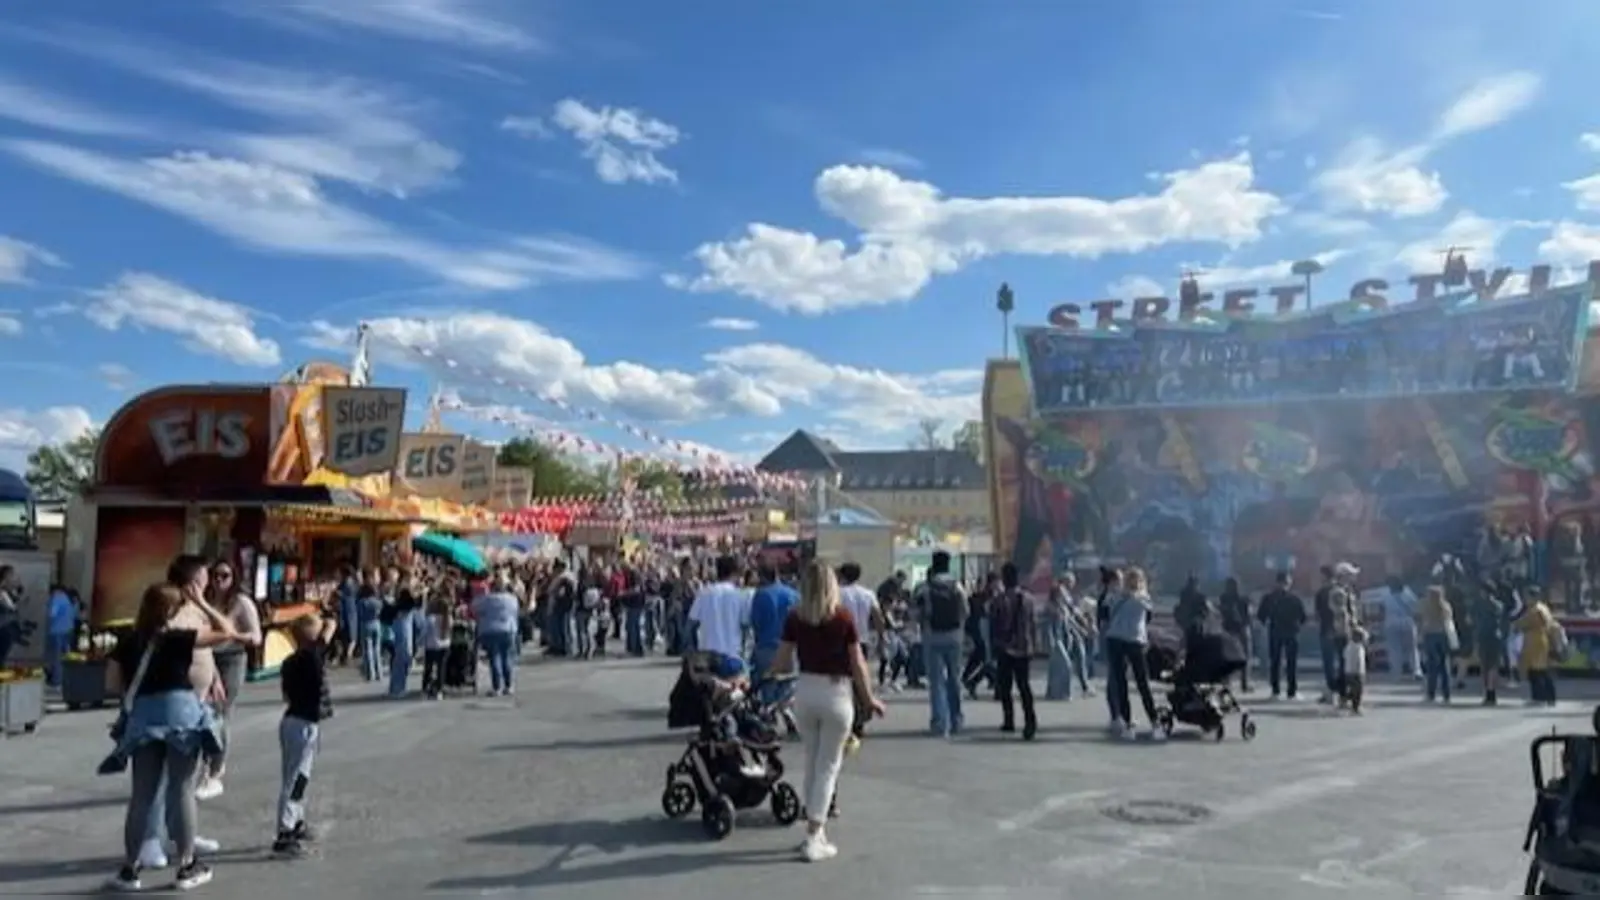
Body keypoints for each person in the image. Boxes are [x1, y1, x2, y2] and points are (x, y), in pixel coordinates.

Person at [104, 580, 237, 892]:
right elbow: (227, 632)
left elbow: (111, 684)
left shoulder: (129, 641)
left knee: (142, 795)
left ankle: (130, 869)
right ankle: (186, 866)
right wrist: (202, 603)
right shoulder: (179, 638)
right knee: (182, 790)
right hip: (181, 716)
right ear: (171, 611)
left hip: (144, 718)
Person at [769, 560, 886, 862]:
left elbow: (781, 661)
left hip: (805, 692)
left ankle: (814, 831)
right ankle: (814, 834)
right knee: (828, 766)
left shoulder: (795, 617)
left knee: (812, 760)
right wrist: (869, 699)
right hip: (836, 693)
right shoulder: (843, 618)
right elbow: (857, 664)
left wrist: (769, 673)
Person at [273, 612, 336, 858]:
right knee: (294, 779)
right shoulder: (309, 658)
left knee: (300, 778)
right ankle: (285, 831)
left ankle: (296, 820)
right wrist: (328, 624)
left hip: (297, 721)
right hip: (301, 724)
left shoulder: (291, 661)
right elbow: (325, 638)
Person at [202, 560, 261, 799]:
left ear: (233, 577)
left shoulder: (241, 602)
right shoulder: (205, 600)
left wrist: (234, 635)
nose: (219, 580)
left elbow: (256, 637)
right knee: (202, 712)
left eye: (225, 575)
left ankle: (216, 769)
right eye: (215, 575)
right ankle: (203, 765)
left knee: (220, 713)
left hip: (232, 658)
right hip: (207, 658)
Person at [1103, 567, 1162, 741]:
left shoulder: (1117, 597)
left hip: (1120, 640)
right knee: (1137, 684)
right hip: (1131, 640)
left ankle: (1134, 723)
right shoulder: (1142, 599)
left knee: (1128, 683)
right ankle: (1148, 723)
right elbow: (1148, 617)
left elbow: (1105, 614)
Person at [913, 550, 967, 737]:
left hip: (932, 636)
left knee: (936, 682)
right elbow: (965, 611)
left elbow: (916, 613)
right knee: (954, 678)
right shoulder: (957, 586)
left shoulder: (924, 588)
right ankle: (956, 720)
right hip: (954, 636)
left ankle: (939, 722)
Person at [988, 563, 1037, 739]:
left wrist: (994, 647)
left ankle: (1009, 720)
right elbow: (1032, 624)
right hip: (1024, 647)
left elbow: (994, 626)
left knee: (1005, 686)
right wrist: (1033, 645)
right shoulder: (1029, 599)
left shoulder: (998, 600)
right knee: (1024, 686)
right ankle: (1030, 721)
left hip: (1005, 648)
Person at [689, 555, 750, 669]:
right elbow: (745, 625)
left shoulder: (704, 593)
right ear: (734, 573)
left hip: (707, 654)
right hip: (732, 654)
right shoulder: (739, 595)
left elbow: (692, 623)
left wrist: (691, 650)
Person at [1257, 571, 1306, 700]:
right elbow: (1303, 617)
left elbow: (1261, 616)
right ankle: (1292, 691)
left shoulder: (1268, 598)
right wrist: (1297, 624)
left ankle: (1275, 690)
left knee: (1275, 662)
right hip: (1292, 632)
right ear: (1288, 583)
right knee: (1291, 662)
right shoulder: (1294, 598)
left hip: (1275, 631)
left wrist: (1269, 621)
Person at [474, 573, 520, 697]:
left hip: (491, 630)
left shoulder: (487, 599)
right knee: (507, 657)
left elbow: (475, 607)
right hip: (509, 629)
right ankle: (509, 685)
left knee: (495, 657)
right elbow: (515, 611)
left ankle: (497, 686)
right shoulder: (512, 599)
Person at [1516, 591, 1559, 706]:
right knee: (1542, 671)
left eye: (1527, 597)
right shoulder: (1543, 608)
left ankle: (1539, 698)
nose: (1525, 599)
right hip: (1539, 642)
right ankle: (1550, 697)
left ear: (1533, 597)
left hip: (1536, 643)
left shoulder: (1535, 610)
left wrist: (1517, 625)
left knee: (1536, 672)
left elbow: (1525, 623)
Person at [1417, 585, 1456, 704]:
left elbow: (1423, 622)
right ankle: (1446, 694)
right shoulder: (1446, 606)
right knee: (1444, 666)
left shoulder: (1426, 606)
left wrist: (1420, 636)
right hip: (1443, 636)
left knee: (1432, 666)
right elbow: (1449, 620)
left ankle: (1431, 693)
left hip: (1430, 636)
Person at [1217, 577, 1252, 693]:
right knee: (1245, 656)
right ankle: (1244, 683)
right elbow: (1248, 615)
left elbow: (1221, 612)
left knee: (1227, 656)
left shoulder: (1224, 598)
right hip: (1242, 628)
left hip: (1228, 628)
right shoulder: (1243, 598)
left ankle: (1226, 682)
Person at [1380, 576, 1419, 679]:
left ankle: (1396, 671)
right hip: (1406, 622)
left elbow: (1381, 609)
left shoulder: (1385, 594)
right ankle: (1415, 670)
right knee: (1411, 648)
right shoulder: (1407, 593)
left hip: (1392, 622)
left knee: (1395, 648)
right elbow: (1415, 608)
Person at [419, 597, 452, 700]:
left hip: (431, 645)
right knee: (441, 669)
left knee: (428, 668)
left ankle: (425, 689)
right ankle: (439, 690)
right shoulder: (448, 619)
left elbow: (424, 633)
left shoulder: (431, 618)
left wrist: (420, 643)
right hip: (444, 645)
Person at [1343, 627, 1368, 715]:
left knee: (1354, 690)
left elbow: (1345, 657)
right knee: (1358, 691)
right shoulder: (1358, 648)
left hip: (1349, 672)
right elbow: (1359, 661)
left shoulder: (1349, 646)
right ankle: (1355, 707)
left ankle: (1349, 701)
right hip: (1357, 673)